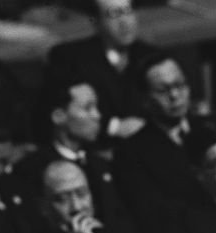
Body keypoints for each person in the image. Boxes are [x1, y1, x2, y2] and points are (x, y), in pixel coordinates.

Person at [9, 75, 137, 233]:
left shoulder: (102, 165)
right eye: (88, 108)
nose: (97, 115)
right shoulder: (33, 170)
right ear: (59, 116)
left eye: (97, 107)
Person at [45, 0, 157, 143]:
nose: (124, 22)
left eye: (128, 12)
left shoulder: (150, 55)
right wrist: (115, 127)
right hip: (95, 147)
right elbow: (55, 112)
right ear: (96, 22)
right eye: (113, 14)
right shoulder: (70, 57)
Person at [113, 54, 200, 233]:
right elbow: (153, 216)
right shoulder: (131, 154)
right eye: (163, 90)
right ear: (145, 99)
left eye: (179, 85)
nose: (174, 95)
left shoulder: (212, 127)